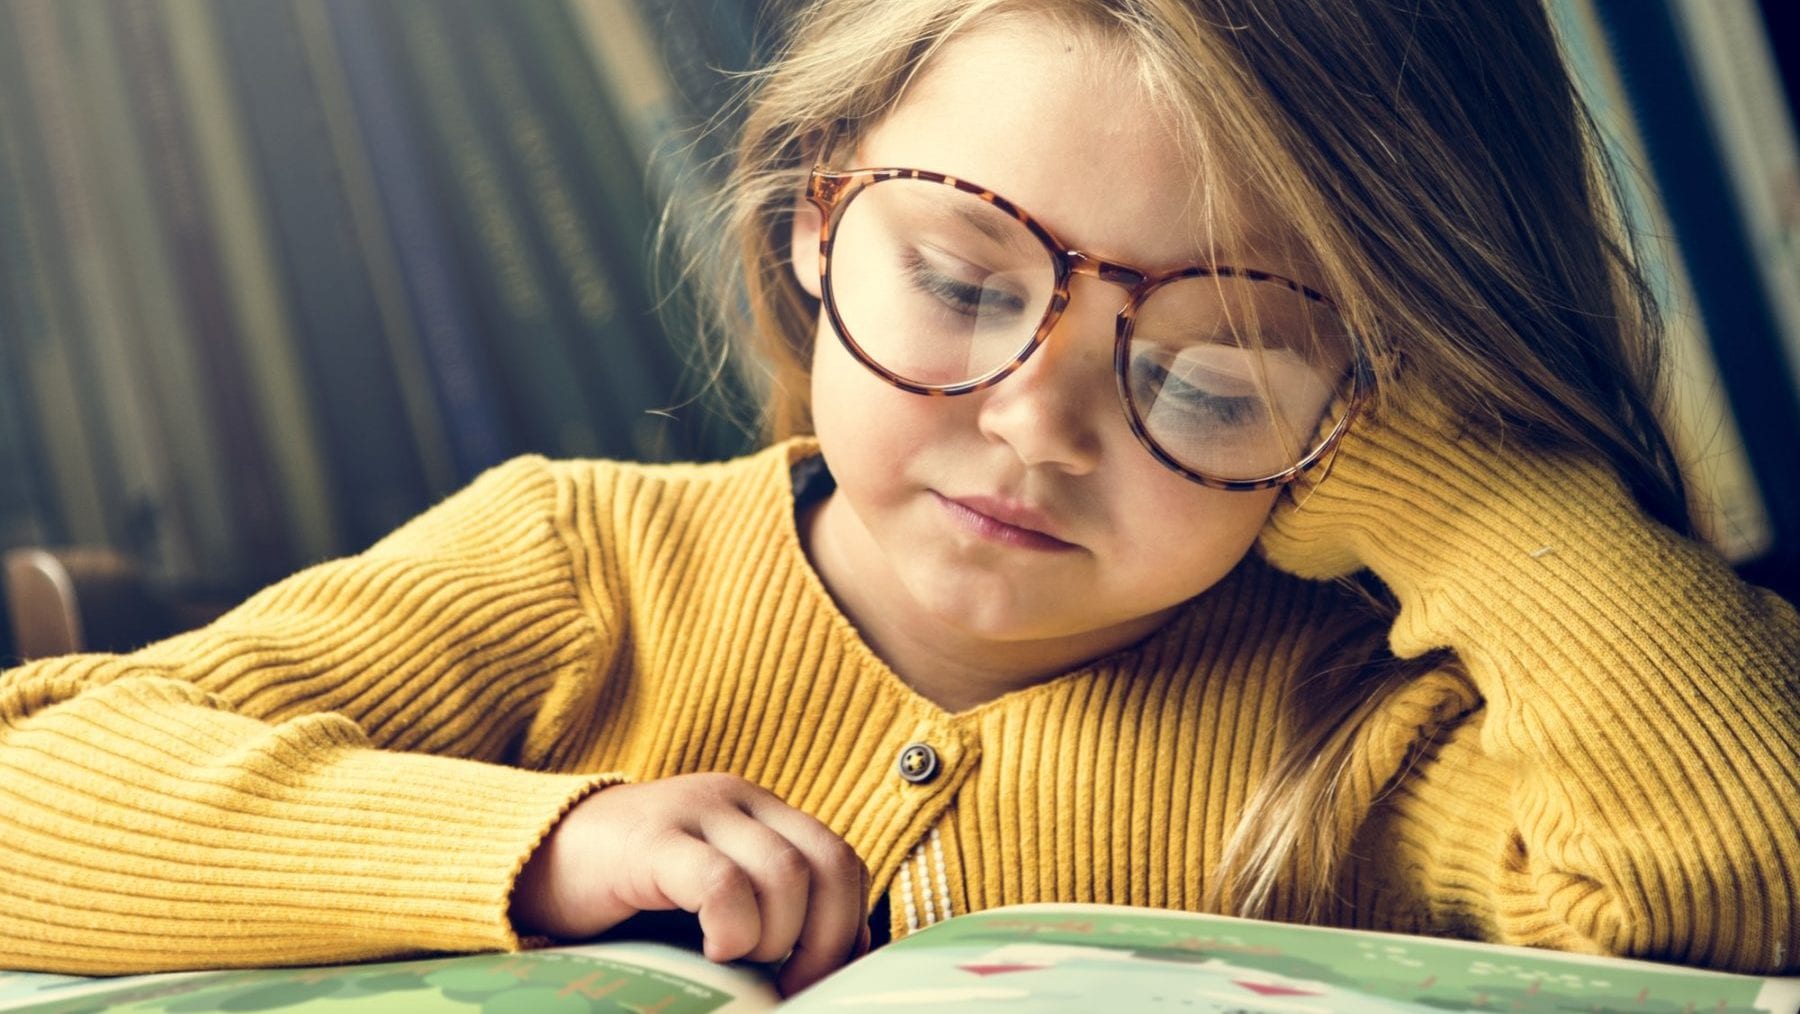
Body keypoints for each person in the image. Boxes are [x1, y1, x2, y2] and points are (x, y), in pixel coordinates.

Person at [2, 0, 1797, 997]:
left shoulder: (1361, 725)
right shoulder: (581, 561)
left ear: (1367, 402)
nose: (1034, 425)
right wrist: (542, 849)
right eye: (957, 281)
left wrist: (1456, 487)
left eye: (1212, 375)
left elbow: (1735, 891)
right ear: (816, 214)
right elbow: (34, 788)